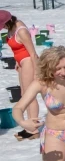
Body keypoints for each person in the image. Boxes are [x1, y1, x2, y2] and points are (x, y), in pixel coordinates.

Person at [1, 10, 40, 140]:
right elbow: (17, 49)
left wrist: (37, 71)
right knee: (24, 94)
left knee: (30, 96)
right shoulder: (11, 28)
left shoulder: (21, 31)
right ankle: (29, 126)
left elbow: (33, 53)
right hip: (21, 62)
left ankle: (34, 128)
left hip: (29, 62)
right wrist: (17, 62)